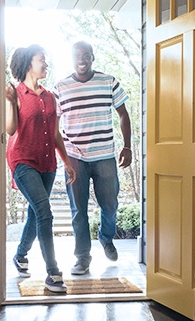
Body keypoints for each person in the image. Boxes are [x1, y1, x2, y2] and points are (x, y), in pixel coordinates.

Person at [53, 40, 132, 275]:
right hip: (75, 157)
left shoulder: (108, 81)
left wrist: (127, 146)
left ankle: (106, 238)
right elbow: (54, 128)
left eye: (86, 55)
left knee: (110, 204)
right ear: (71, 58)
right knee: (78, 210)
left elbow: (123, 114)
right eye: (77, 55)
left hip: (105, 155)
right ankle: (82, 257)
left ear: (92, 58)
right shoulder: (61, 87)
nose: (82, 59)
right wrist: (62, 158)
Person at [5, 44, 76, 293]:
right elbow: (11, 129)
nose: (45, 64)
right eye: (41, 60)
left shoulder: (49, 96)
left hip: (47, 162)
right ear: (28, 64)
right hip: (23, 161)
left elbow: (55, 134)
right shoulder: (15, 92)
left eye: (45, 60)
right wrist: (10, 102)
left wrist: (66, 162)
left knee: (36, 214)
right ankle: (53, 273)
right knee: (45, 213)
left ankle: (20, 254)